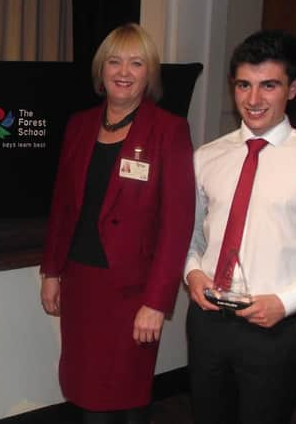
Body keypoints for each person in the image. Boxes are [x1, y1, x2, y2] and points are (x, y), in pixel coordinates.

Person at [40, 23, 195, 424]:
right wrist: (51, 271)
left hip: (133, 295)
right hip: (82, 286)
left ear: (150, 74)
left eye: (136, 62)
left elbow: (178, 226)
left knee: (126, 397)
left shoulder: (169, 130)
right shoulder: (78, 125)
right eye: (114, 60)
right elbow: (61, 207)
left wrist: (156, 303)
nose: (123, 71)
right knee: (85, 392)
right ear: (101, 69)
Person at [185, 30, 296, 424]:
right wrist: (191, 273)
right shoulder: (207, 157)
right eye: (244, 85)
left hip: (272, 330)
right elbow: (190, 236)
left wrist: (288, 300)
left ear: (293, 88)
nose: (253, 100)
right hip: (207, 324)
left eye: (268, 86)